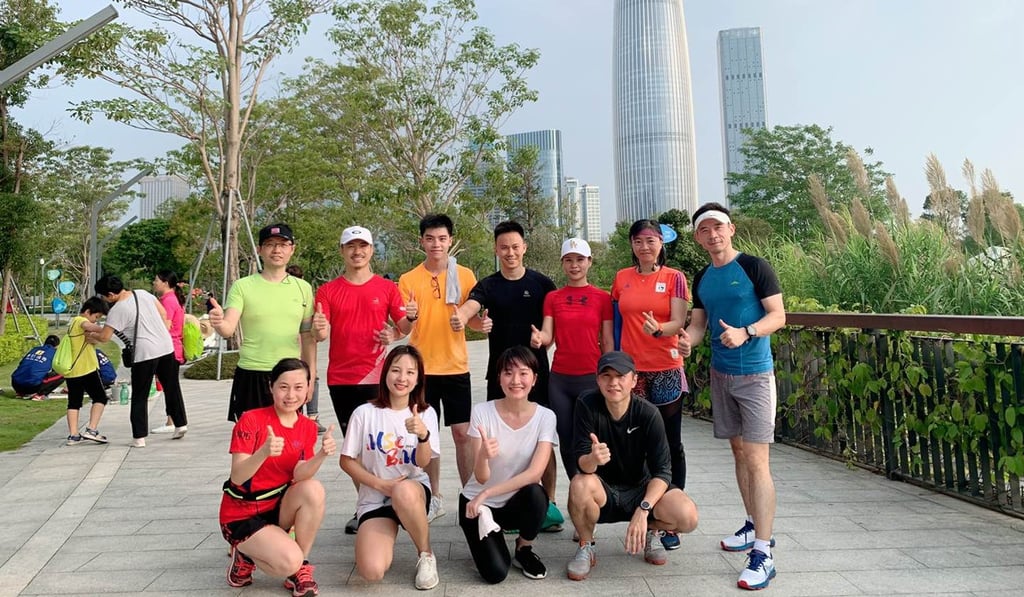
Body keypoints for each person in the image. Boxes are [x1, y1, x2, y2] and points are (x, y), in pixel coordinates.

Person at [678, 202, 786, 591]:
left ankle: (763, 552)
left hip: (755, 375)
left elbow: (779, 316)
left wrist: (747, 332)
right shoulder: (703, 275)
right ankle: (753, 523)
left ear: (731, 229)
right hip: (721, 375)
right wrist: (686, 344)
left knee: (758, 461)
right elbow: (698, 324)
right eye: (704, 230)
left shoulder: (755, 267)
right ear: (697, 237)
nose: (713, 234)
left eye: (718, 227)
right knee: (739, 453)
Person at [453, 220, 562, 532]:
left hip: (535, 377)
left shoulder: (543, 284)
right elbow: (470, 307)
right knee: (495, 444)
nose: (510, 252)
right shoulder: (489, 285)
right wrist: (463, 317)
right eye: (504, 248)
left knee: (544, 443)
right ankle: (500, 502)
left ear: (524, 247)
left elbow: (551, 328)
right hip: (499, 378)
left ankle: (547, 504)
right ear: (496, 250)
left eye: (515, 246)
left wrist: (544, 339)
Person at [565, 351, 699, 581]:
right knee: (579, 485)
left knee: (688, 516)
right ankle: (586, 545)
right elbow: (582, 464)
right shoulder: (586, 404)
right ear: (598, 380)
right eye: (606, 376)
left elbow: (663, 471)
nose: (613, 382)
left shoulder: (648, 413)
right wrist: (593, 459)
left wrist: (644, 510)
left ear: (634, 380)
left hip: (640, 488)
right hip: (604, 490)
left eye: (620, 376)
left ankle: (651, 531)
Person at [314, 225, 407, 534]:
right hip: (341, 379)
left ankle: (389, 503)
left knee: (380, 445)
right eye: (351, 246)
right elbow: (321, 331)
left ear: (371, 250)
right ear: (342, 251)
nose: (357, 251)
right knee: (354, 449)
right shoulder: (327, 291)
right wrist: (319, 328)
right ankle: (367, 506)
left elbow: (403, 327)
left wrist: (396, 330)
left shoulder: (387, 288)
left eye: (363, 246)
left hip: (377, 377)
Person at [220, 358, 335, 596]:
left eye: (298, 387)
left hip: (278, 507)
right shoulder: (251, 419)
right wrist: (263, 452)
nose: (291, 394)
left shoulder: (308, 427)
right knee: (287, 561)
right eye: (283, 386)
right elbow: (238, 476)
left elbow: (300, 474)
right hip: (242, 513)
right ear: (271, 386)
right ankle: (245, 554)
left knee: (313, 489)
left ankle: (300, 568)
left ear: (308, 389)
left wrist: (322, 455)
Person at [397, 214, 483, 523]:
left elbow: (473, 320)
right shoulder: (408, 279)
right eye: (430, 238)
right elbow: (403, 328)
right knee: (426, 435)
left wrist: (480, 324)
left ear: (451, 240)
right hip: (422, 369)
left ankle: (471, 496)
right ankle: (434, 495)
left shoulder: (465, 274)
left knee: (462, 434)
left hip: (456, 366)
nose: (436, 244)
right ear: (421, 241)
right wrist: (410, 316)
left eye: (442, 238)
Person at [610, 219, 690, 549]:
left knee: (670, 443)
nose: (645, 246)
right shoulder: (621, 279)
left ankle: (671, 515)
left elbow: (679, 319)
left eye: (651, 240)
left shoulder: (674, 278)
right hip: (632, 372)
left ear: (661, 243)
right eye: (639, 241)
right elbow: (616, 322)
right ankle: (645, 512)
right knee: (638, 443)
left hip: (665, 367)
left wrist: (660, 329)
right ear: (632, 245)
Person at [339, 345, 441, 590]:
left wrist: (423, 436)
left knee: (403, 492)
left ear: (418, 379)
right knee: (371, 571)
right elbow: (346, 460)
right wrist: (379, 484)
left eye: (410, 372)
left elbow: (423, 463)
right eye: (396, 370)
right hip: (375, 496)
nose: (402, 378)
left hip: (411, 492)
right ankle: (386, 532)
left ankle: (426, 554)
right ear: (385, 374)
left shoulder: (425, 414)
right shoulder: (364, 413)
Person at [460, 346, 557, 583]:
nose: (516, 380)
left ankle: (523, 548)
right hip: (477, 504)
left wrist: (489, 493)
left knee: (537, 493)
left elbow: (535, 474)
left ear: (534, 379)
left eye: (523, 373)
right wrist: (482, 456)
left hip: (515, 502)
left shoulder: (546, 417)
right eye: (508, 373)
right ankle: (491, 541)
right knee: (495, 574)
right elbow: (481, 478)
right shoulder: (482, 412)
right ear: (499, 379)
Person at [208, 223, 317, 422]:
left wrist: (310, 378)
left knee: (287, 442)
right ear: (259, 250)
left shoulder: (303, 288)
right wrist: (218, 321)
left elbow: (308, 337)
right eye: (270, 244)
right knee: (251, 443)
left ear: (292, 249)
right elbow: (228, 329)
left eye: (283, 244)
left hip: (289, 375)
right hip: (252, 374)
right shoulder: (243, 286)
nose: (277, 250)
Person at [531, 238, 613, 483]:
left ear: (589, 262)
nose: (574, 265)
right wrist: (539, 338)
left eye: (579, 260)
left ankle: (597, 489)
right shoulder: (553, 298)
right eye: (569, 260)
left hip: (591, 377)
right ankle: (578, 486)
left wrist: (608, 376)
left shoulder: (602, 298)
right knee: (566, 438)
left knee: (593, 438)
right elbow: (548, 335)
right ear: (562, 264)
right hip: (560, 380)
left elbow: (607, 340)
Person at [89, 275, 189, 447]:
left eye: (104, 296)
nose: (105, 300)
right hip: (166, 347)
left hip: (144, 353)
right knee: (172, 387)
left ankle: (139, 437)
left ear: (111, 294)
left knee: (139, 395)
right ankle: (180, 425)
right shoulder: (143, 294)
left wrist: (91, 334)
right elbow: (163, 313)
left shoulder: (117, 310)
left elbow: (105, 337)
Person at [62, 298, 112, 445]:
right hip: (87, 369)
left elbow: (96, 340)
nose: (95, 321)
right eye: (96, 317)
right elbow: (87, 325)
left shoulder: (73, 325)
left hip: (72, 371)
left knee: (74, 403)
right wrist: (105, 328)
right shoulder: (79, 321)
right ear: (88, 312)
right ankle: (91, 429)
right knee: (100, 398)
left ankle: (74, 435)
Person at [285, 264, 325, 434]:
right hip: (289, 350)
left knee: (312, 378)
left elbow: (313, 330)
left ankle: (312, 416)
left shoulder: (305, 294)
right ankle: (299, 416)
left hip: (304, 346)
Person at [151, 270, 186, 434]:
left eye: (156, 280)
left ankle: (173, 420)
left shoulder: (168, 301)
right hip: (172, 346)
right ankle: (171, 420)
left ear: (165, 282)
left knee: (170, 386)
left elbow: (165, 325)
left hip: (168, 347)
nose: (154, 283)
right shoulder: (169, 299)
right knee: (169, 385)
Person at [11, 335, 63, 400]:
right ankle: (40, 395)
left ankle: (20, 393)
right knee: (63, 373)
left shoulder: (34, 349)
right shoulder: (55, 352)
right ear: (57, 346)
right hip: (32, 387)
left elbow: (21, 364)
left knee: (27, 370)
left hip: (15, 384)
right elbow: (57, 368)